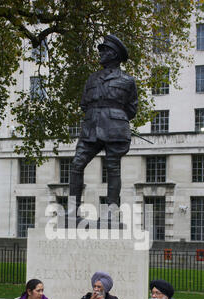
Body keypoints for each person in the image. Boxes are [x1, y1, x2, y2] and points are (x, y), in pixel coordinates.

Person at [68, 34, 138, 223]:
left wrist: (112, 114)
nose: (101, 53)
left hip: (115, 129)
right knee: (76, 165)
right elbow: (84, 104)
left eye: (104, 50)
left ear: (114, 55)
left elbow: (132, 109)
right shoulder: (92, 79)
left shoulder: (127, 80)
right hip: (91, 128)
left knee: (112, 168)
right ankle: (71, 213)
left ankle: (111, 215)